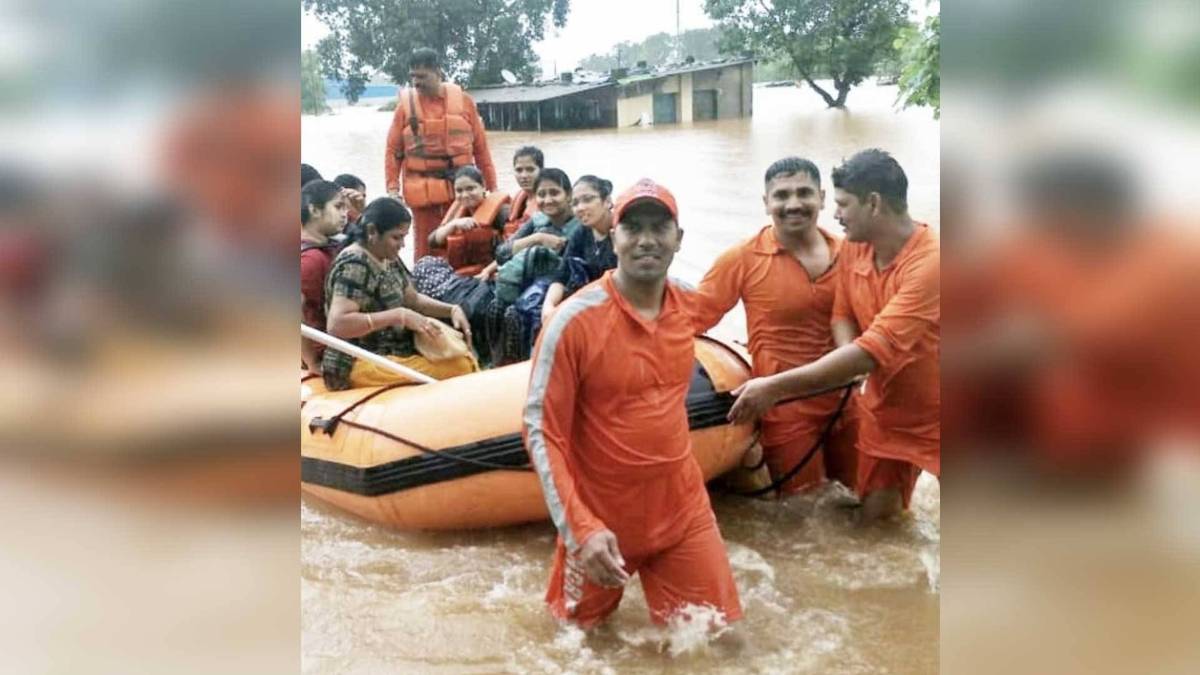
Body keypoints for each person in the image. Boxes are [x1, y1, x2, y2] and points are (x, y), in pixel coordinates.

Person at [524, 178, 743, 633]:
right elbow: (542, 431)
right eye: (633, 228)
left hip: (682, 511)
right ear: (613, 237)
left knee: (718, 641)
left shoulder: (687, 304)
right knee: (574, 645)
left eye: (659, 228)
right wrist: (580, 528)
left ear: (679, 239)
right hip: (602, 519)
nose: (646, 240)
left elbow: (732, 291)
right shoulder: (572, 322)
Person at [727, 149, 939, 522]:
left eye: (842, 204)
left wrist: (773, 387)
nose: (836, 214)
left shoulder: (932, 264)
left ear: (873, 204)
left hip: (941, 411)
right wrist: (851, 365)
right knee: (877, 525)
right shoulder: (855, 247)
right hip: (882, 409)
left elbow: (870, 351)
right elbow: (843, 314)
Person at [693, 157, 858, 496]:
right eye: (781, 195)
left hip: (849, 400)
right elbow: (691, 318)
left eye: (804, 193)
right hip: (784, 407)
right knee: (803, 508)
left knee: (866, 501)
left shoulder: (853, 253)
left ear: (822, 198)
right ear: (766, 203)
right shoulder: (741, 258)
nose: (793, 204)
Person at [323, 197, 477, 391]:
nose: (402, 244)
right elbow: (337, 325)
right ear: (372, 232)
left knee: (462, 357)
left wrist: (452, 310)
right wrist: (398, 316)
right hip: (359, 361)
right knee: (460, 367)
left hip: (395, 351)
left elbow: (413, 300)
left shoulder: (387, 256)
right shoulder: (355, 264)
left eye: (404, 237)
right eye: (396, 237)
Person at [385, 47, 497, 261]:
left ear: (438, 72)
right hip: (423, 197)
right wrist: (392, 190)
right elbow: (393, 151)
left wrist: (492, 188)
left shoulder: (464, 102)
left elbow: (481, 150)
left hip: (461, 193)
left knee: (464, 246)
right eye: (413, 77)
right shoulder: (404, 108)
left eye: (422, 76)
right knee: (425, 250)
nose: (416, 82)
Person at [489, 168, 581, 365]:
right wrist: (537, 238)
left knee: (518, 312)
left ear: (569, 195)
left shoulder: (581, 223)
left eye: (554, 193)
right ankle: (498, 363)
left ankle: (530, 365)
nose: (547, 200)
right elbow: (501, 254)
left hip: (563, 286)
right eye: (542, 194)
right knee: (495, 306)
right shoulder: (537, 222)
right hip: (529, 281)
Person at [541, 175, 617, 324]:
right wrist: (548, 306)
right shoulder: (582, 232)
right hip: (586, 303)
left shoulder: (624, 232)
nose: (580, 208)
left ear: (607, 201)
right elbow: (562, 275)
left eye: (587, 199)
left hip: (614, 308)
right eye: (575, 203)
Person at [426, 165, 511, 278]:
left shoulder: (502, 212)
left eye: (470, 189)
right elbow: (432, 241)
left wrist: (489, 270)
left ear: (483, 187)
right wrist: (453, 224)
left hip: (494, 272)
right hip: (464, 272)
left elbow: (514, 247)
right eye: (459, 191)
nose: (465, 195)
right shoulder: (458, 213)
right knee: (424, 265)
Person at [301, 180, 349, 374]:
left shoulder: (331, 246)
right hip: (326, 351)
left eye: (345, 208)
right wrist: (312, 362)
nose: (345, 214)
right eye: (338, 207)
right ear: (314, 210)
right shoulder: (311, 260)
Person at [505, 145, 543, 237]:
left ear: (541, 170)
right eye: (519, 170)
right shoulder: (520, 197)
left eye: (530, 170)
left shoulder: (548, 202)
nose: (524, 176)